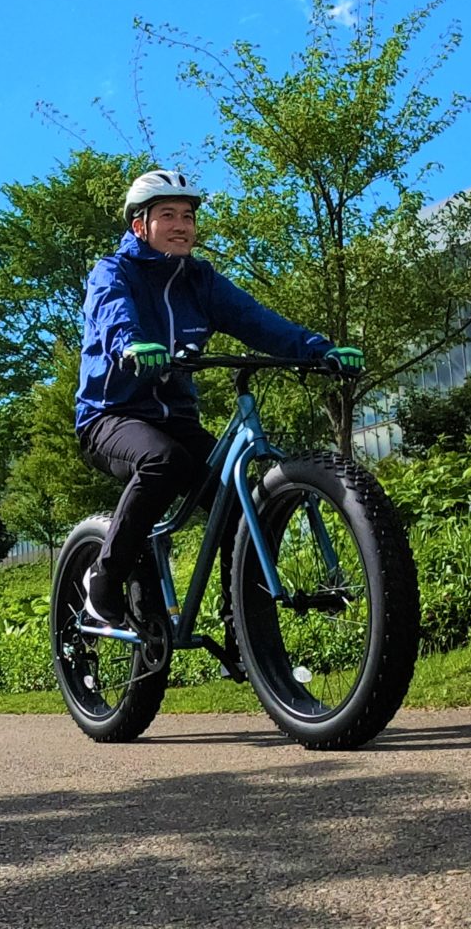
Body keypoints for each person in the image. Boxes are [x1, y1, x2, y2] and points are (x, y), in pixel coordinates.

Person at [73, 169, 364, 639]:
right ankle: (101, 582)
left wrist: (319, 350)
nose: (181, 225)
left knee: (237, 504)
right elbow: (112, 315)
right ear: (140, 226)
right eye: (168, 215)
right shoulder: (114, 271)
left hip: (176, 419)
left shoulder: (201, 280)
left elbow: (257, 321)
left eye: (187, 216)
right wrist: (130, 344)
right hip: (110, 416)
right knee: (164, 462)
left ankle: (243, 637)